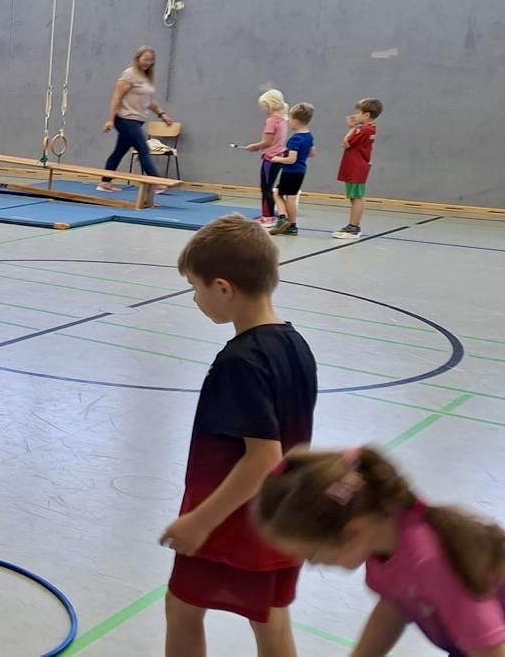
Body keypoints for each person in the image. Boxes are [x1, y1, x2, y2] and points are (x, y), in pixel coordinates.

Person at [161, 214, 317, 657]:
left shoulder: (240, 362)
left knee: (182, 608)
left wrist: (200, 521)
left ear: (223, 288)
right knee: (270, 618)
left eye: (195, 287)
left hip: (233, 523)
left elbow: (264, 459)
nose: (195, 298)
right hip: (279, 520)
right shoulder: (295, 345)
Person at [257, 446, 505, 657]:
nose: (312, 564)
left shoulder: (430, 563)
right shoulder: (385, 543)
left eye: (312, 554)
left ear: (354, 532)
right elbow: (396, 605)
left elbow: (492, 650)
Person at [100, 46, 176, 193]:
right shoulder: (129, 74)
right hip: (125, 120)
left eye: (151, 60)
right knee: (143, 149)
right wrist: (110, 120)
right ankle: (155, 182)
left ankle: (105, 183)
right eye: (145, 59)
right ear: (138, 58)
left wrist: (162, 114)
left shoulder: (146, 78)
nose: (148, 62)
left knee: (119, 151)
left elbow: (150, 101)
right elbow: (116, 97)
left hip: (136, 121)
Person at [333, 99, 383, 240]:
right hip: (357, 166)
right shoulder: (369, 128)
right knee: (354, 197)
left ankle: (353, 227)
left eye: (358, 113)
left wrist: (352, 127)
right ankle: (353, 225)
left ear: (366, 115)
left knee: (356, 198)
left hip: (356, 168)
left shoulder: (365, 129)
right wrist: (356, 127)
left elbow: (346, 142)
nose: (355, 115)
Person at [268, 104, 316, 237]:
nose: (288, 121)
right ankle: (292, 226)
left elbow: (291, 159)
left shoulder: (295, 139)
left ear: (296, 121)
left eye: (289, 119)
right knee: (291, 197)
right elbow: (313, 153)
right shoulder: (309, 136)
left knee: (277, 194)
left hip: (290, 171)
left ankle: (282, 218)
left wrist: (277, 159)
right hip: (301, 171)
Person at [244, 89, 290, 228]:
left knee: (266, 187)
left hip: (270, 158)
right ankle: (270, 214)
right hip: (280, 155)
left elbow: (267, 141)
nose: (263, 109)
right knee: (269, 187)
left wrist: (254, 147)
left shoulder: (271, 121)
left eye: (264, 106)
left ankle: (267, 217)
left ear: (269, 105)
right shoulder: (283, 119)